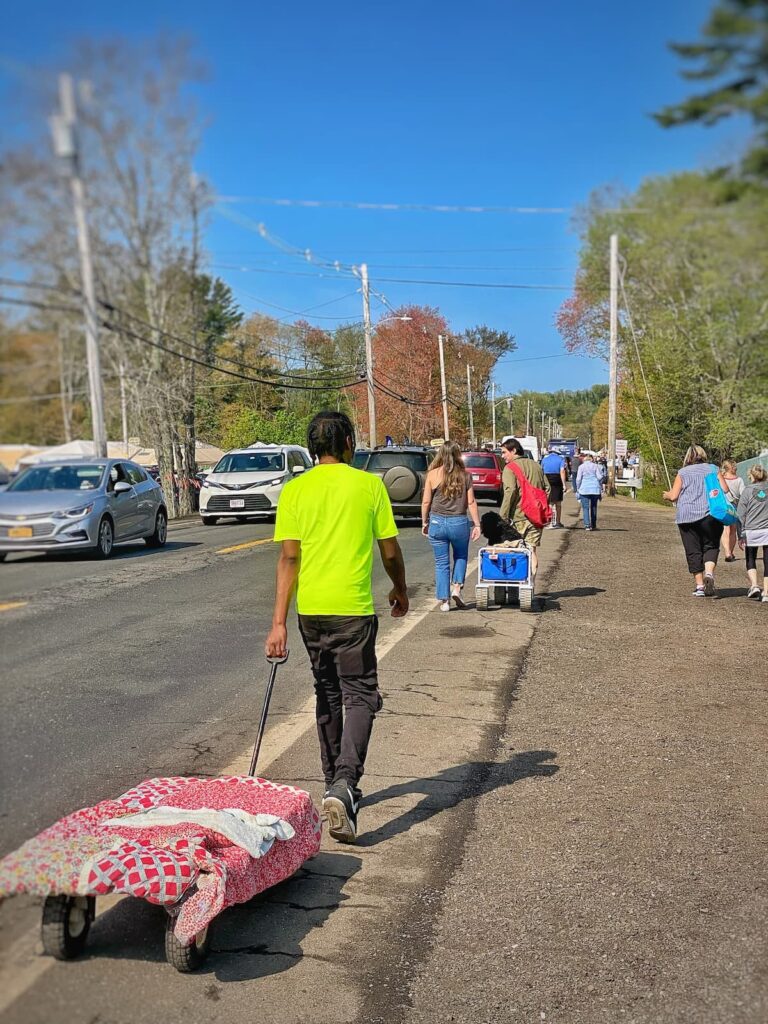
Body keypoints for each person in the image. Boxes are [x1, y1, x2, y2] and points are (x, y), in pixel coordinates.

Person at [265, 411, 409, 843]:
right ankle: (346, 784)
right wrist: (400, 589)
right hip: (353, 610)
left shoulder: (294, 490)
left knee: (326, 693)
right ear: (348, 442)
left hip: (311, 613)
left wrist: (278, 624)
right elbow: (390, 551)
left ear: (312, 447)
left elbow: (289, 558)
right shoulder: (369, 486)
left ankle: (332, 786)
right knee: (361, 693)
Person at [662, 445, 731, 597]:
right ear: (703, 455)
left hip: (686, 517)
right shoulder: (713, 469)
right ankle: (710, 574)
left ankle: (700, 586)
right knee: (711, 545)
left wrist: (666, 495)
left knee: (693, 549)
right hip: (710, 514)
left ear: (688, 457)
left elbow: (673, 496)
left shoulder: (682, 472)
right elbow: (725, 489)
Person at [421, 442, 481, 611]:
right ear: (457, 455)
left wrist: (424, 522)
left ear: (440, 454)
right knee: (461, 556)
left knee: (441, 563)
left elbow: (426, 501)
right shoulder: (465, 476)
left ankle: (444, 601)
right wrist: (477, 524)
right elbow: (471, 502)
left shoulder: (432, 475)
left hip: (437, 522)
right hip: (459, 522)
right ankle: (456, 588)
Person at [500, 438, 551, 576]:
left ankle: (515, 583)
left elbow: (510, 491)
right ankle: (530, 585)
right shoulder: (536, 466)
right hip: (537, 517)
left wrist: (503, 515)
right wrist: (540, 507)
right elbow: (547, 488)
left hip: (518, 516)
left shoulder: (510, 468)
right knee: (531, 550)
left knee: (513, 549)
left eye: (504, 452)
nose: (502, 456)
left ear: (514, 451)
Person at [736, 464, 768, 602]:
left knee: (750, 558)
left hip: (751, 531)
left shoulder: (747, 491)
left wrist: (740, 535)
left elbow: (740, 515)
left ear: (751, 476)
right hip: (767, 530)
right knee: (767, 562)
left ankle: (754, 585)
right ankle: (766, 592)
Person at [720, 459, 745, 562]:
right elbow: (743, 494)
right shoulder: (739, 480)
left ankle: (727, 552)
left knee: (725, 530)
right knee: (733, 530)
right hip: (734, 506)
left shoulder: (720, 479)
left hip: (723, 506)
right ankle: (731, 551)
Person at [575, 453, 604, 531]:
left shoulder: (581, 467)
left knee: (585, 507)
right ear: (592, 459)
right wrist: (600, 484)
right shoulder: (596, 466)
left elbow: (578, 479)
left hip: (584, 489)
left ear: (584, 459)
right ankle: (593, 525)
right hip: (595, 488)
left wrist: (578, 488)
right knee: (594, 507)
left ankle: (587, 525)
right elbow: (599, 477)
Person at [540, 446, 567, 528]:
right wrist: (564, 484)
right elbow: (562, 471)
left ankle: (550, 522)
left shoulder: (544, 459)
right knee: (558, 502)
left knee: (549, 502)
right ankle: (558, 522)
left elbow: (541, 470)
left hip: (546, 479)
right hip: (557, 480)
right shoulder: (561, 459)